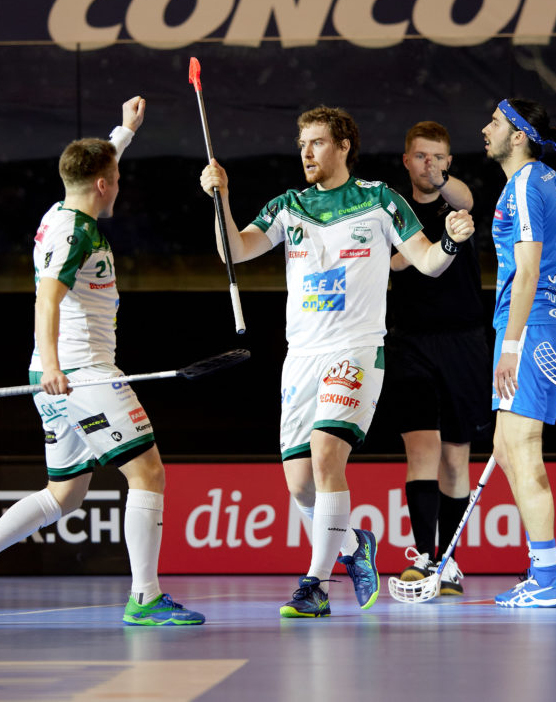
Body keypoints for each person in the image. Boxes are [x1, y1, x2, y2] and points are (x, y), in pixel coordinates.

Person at [198, 106, 474, 618]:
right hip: (300, 356)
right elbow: (234, 251)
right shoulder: (289, 206)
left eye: (318, 142)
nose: (306, 152)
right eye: (302, 142)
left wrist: (452, 240)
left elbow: (430, 263)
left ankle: (315, 585)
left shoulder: (380, 201)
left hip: (355, 350)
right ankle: (353, 547)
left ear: (344, 146)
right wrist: (223, 197)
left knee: (327, 456)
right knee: (300, 484)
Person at [0, 97, 206, 626]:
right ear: (105, 186)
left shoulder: (60, 211)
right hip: (82, 374)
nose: (118, 185)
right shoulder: (76, 232)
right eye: (116, 178)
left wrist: (124, 132)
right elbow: (47, 298)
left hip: (54, 376)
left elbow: (98, 170)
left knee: (64, 493)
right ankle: (146, 597)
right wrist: (59, 365)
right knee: (148, 473)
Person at [382, 121, 493, 596]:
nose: (430, 164)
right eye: (421, 156)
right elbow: (386, 264)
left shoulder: (458, 204)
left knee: (455, 458)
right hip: (409, 342)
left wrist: (445, 183)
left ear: (449, 162)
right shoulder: (389, 209)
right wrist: (423, 251)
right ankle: (424, 558)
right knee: (422, 448)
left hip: (465, 343)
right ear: (406, 160)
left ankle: (447, 562)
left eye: (439, 157)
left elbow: (466, 201)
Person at [483, 98, 556, 608]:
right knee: (504, 447)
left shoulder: (522, 184)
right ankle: (539, 568)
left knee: (523, 451)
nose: (485, 130)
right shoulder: (548, 180)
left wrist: (511, 346)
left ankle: (547, 576)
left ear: (518, 134)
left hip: (531, 326)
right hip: (538, 325)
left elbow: (528, 272)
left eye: (495, 123)